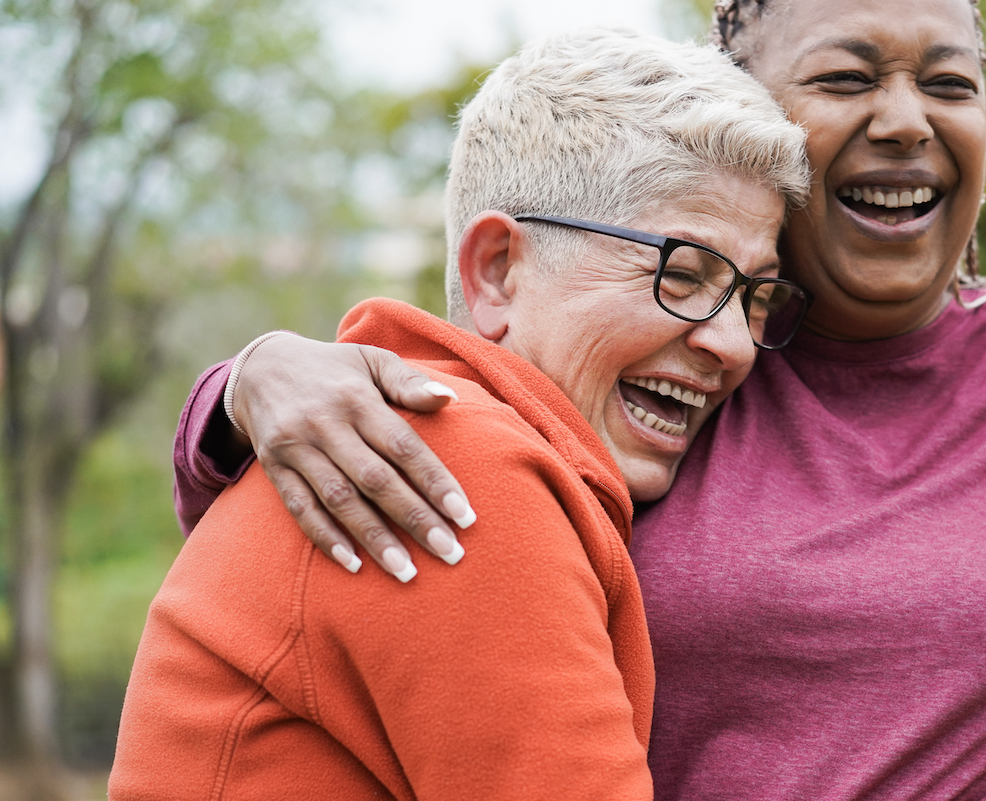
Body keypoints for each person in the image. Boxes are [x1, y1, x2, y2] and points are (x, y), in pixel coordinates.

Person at [171, 0, 986, 798]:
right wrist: (247, 383)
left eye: (949, 82)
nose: (903, 118)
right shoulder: (602, 379)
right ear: (755, 112)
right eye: (845, 76)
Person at [110, 29, 811, 799]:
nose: (736, 344)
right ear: (498, 270)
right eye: (685, 272)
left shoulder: (404, 428)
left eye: (755, 295)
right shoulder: (458, 464)